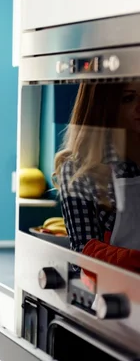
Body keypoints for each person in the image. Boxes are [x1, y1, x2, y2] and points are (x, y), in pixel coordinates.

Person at [53, 81, 140, 272]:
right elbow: (82, 255)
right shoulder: (79, 171)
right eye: (128, 98)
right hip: (115, 295)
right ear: (104, 108)